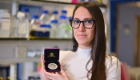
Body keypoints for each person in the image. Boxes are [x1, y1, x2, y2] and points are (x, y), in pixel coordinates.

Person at [41, 2, 121, 80]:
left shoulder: (111, 63)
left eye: (88, 21)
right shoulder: (60, 58)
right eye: (76, 21)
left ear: (98, 26)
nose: (80, 28)